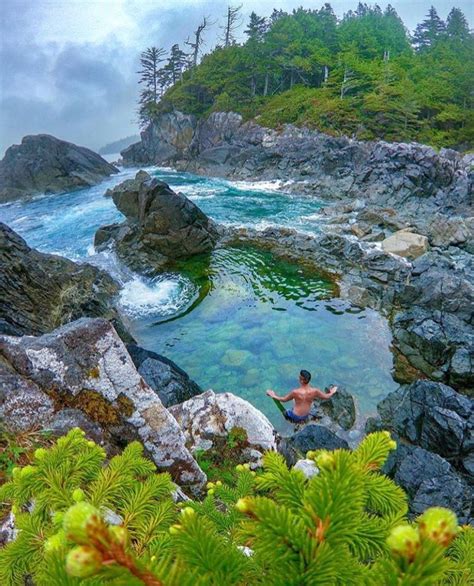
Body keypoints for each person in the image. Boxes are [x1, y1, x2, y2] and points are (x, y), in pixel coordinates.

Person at [266, 370, 337, 423]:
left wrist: (273, 395)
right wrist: (332, 392)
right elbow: (326, 397)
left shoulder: (295, 392)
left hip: (295, 417)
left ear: (301, 380)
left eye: (299, 377)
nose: (298, 378)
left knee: (284, 410)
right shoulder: (315, 391)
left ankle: (272, 396)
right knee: (296, 400)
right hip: (305, 416)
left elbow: (283, 400)